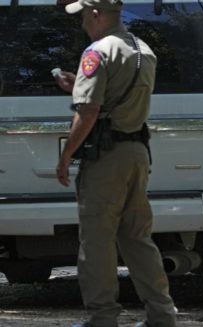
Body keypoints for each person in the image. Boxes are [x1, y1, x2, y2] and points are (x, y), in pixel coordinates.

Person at [53, 0, 177, 326]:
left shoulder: (97, 52)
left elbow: (89, 112)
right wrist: (76, 85)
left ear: (95, 13)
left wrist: (66, 156)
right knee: (138, 238)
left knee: (96, 240)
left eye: (82, 16)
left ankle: (102, 317)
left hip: (105, 158)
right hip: (136, 153)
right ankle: (162, 315)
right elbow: (117, 98)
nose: (82, 23)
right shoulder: (143, 50)